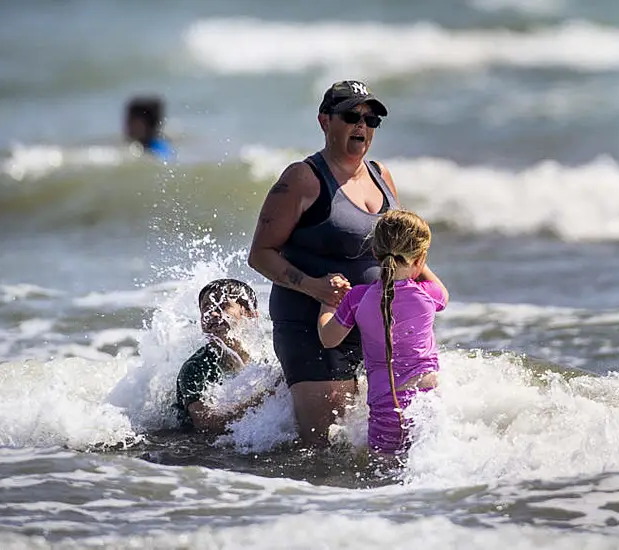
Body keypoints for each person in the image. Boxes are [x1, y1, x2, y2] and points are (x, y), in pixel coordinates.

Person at [249, 80, 440, 447]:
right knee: (322, 447)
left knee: (372, 437)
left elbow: (397, 245)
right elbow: (260, 254)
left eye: (371, 120)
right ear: (324, 121)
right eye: (351, 116)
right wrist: (313, 286)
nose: (362, 126)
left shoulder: (381, 176)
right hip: (309, 320)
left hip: (370, 324)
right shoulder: (302, 178)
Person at [317, 210, 448, 460]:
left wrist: (328, 302)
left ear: (375, 253)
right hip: (427, 406)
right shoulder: (428, 295)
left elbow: (328, 338)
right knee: (427, 469)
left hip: (386, 411)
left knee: (383, 483)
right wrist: (418, 262)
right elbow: (443, 293)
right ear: (419, 258)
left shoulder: (357, 298)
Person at [174, 278, 272, 433]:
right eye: (206, 308)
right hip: (197, 447)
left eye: (222, 305)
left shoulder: (267, 356)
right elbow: (206, 423)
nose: (212, 313)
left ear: (250, 315)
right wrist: (264, 397)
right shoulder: (195, 368)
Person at [124, 95, 174, 161]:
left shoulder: (161, 149)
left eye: (131, 120)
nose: (126, 125)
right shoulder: (135, 146)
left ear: (147, 124)